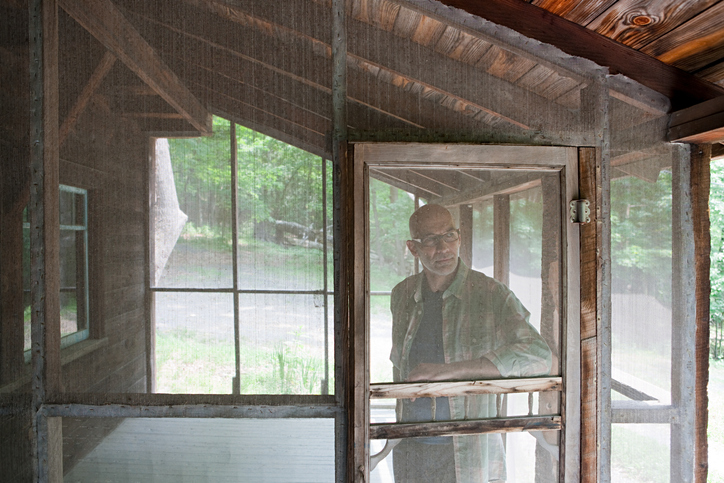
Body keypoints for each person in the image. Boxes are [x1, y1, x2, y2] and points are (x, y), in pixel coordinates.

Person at [389, 204, 553, 482]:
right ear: (413, 248)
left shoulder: (490, 294)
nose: (442, 248)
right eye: (430, 239)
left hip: (468, 451)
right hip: (409, 443)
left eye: (449, 235)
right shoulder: (402, 294)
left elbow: (539, 356)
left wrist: (449, 371)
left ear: (460, 237)